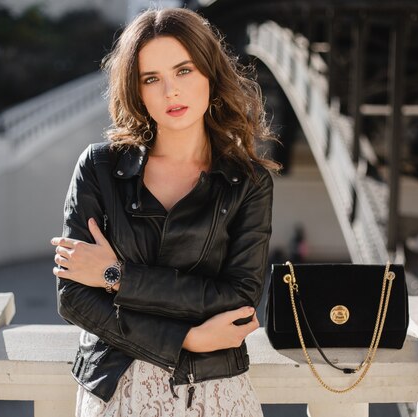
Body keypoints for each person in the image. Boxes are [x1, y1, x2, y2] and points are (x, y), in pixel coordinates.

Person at [51, 7, 279, 417]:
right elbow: (73, 299)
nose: (170, 91)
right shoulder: (100, 169)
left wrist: (116, 276)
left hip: (215, 395)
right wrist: (184, 339)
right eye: (151, 79)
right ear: (136, 91)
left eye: (184, 71)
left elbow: (240, 300)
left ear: (210, 73)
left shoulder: (248, 182)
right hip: (116, 393)